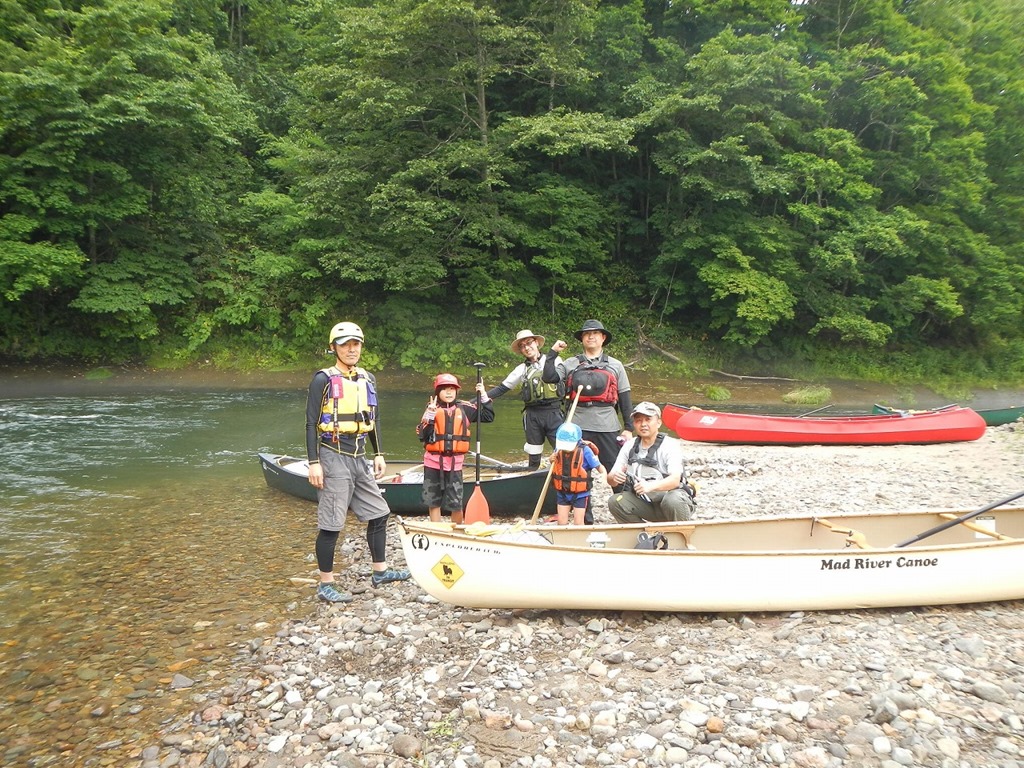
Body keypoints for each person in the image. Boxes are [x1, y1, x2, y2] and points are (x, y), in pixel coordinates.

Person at [305, 321, 411, 603]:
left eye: (356, 344)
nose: (351, 349)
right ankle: (326, 584)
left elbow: (373, 419)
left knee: (379, 513)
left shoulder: (367, 378)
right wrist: (314, 462)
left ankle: (380, 571)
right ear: (333, 348)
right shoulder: (323, 379)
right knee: (331, 523)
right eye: (345, 345)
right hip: (333, 454)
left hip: (359, 456)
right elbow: (311, 423)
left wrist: (379, 453)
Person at [546, 319, 632, 523]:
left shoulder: (615, 365)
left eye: (595, 333)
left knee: (615, 470)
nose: (591, 336)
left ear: (603, 338)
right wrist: (552, 353)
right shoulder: (571, 363)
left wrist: (629, 428)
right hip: (577, 427)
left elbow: (625, 397)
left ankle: (628, 512)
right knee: (577, 473)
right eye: (586, 333)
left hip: (607, 425)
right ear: (582, 339)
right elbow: (549, 377)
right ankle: (585, 520)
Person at [416, 373, 495, 523]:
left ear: (456, 391)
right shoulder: (431, 408)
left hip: (455, 464)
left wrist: (483, 395)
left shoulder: (465, 408)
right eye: (444, 389)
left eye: (452, 389)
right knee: (433, 501)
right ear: (437, 392)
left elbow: (488, 417)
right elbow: (423, 435)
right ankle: (436, 529)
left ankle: (455, 530)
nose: (449, 392)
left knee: (456, 503)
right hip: (433, 463)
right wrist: (430, 415)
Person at [484, 329, 565, 469]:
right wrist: (478, 400)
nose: (527, 348)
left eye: (529, 343)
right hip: (532, 415)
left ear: (537, 343)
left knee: (563, 450)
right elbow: (502, 388)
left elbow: (565, 379)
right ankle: (533, 474)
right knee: (534, 453)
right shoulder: (520, 369)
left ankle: (565, 476)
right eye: (522, 346)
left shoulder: (555, 360)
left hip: (554, 412)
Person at [607, 402, 696, 523]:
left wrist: (650, 486)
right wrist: (614, 478)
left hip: (673, 501)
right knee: (615, 501)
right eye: (638, 421)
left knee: (673, 499)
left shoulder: (670, 445)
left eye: (648, 419)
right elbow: (610, 480)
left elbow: (675, 480)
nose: (643, 424)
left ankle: (680, 532)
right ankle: (641, 533)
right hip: (647, 503)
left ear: (658, 422)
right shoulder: (629, 446)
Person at [551, 423, 607, 526]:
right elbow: (555, 465)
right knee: (561, 522)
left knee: (578, 523)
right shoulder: (559, 449)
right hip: (562, 492)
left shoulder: (585, 451)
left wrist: (603, 476)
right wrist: (551, 459)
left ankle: (580, 535)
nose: (565, 448)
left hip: (580, 495)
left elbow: (600, 467)